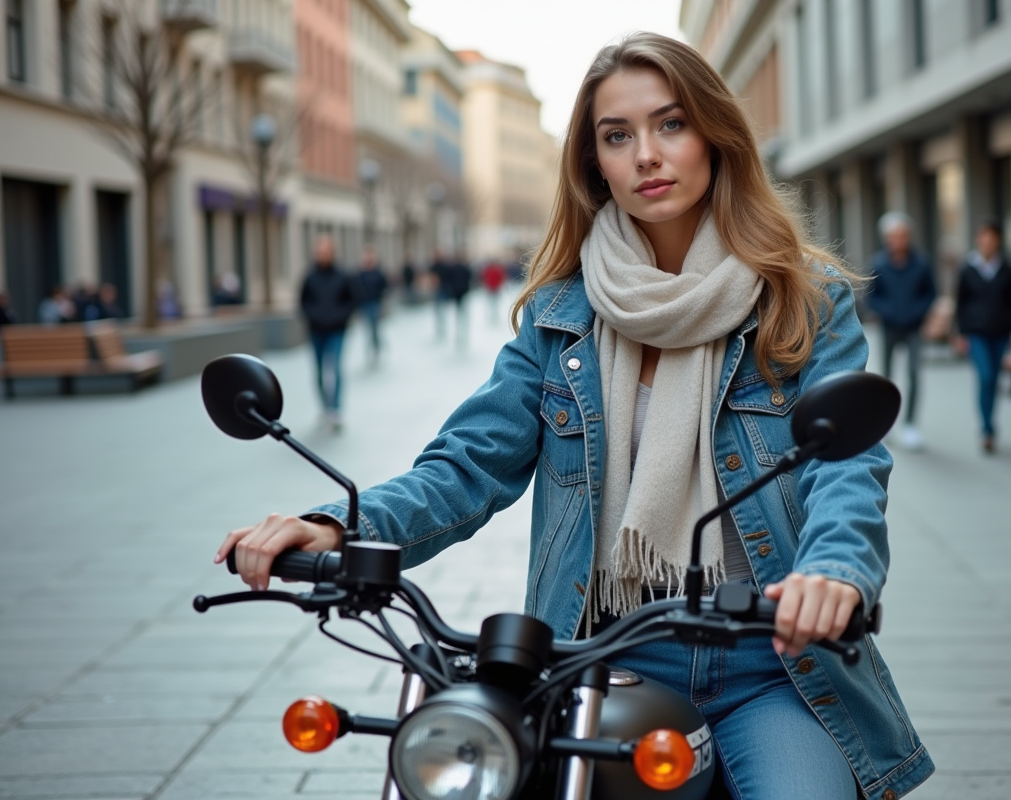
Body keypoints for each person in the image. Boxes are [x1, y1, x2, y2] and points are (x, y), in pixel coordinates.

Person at [217, 33, 932, 800]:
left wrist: (833, 569)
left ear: (715, 137)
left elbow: (846, 463)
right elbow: (466, 464)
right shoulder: (562, 316)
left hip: (773, 662)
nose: (646, 155)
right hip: (600, 658)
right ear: (595, 163)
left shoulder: (806, 300)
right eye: (617, 136)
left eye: (671, 124)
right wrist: (337, 524)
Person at [867, 212, 936, 451]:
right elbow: (872, 296)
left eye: (902, 235)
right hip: (889, 328)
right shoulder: (879, 263)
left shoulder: (922, 263)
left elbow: (930, 293)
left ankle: (910, 425)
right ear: (887, 238)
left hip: (914, 328)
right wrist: (888, 312)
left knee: (915, 374)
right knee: (886, 379)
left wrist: (917, 312)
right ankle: (885, 426)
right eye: (894, 236)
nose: (898, 240)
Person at [954, 219, 1011, 453]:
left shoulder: (1006, 267)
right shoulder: (968, 268)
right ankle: (986, 428)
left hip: (1001, 333)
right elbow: (960, 303)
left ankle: (990, 423)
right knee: (985, 377)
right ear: (978, 239)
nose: (987, 242)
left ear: (998, 241)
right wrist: (961, 334)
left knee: (994, 379)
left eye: (991, 237)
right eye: (983, 237)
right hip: (976, 334)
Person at [300, 236, 357, 431]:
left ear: (332, 253)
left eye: (326, 251)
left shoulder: (342, 275)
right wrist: (313, 317)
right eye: (319, 252)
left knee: (335, 368)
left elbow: (351, 300)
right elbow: (303, 301)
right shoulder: (309, 276)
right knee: (318, 370)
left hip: (336, 330)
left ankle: (336, 409)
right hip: (316, 331)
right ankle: (324, 407)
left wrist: (339, 318)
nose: (322, 255)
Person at [355, 246, 389, 363]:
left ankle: (376, 348)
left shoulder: (378, 272)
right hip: (364, 304)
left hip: (375, 303)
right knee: (367, 329)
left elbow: (385, 285)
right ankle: (371, 349)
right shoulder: (360, 273)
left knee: (375, 328)